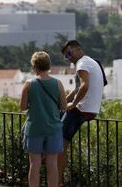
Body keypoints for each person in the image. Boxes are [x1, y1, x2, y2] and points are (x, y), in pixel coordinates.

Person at [58, 40, 104, 186]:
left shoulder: (82, 64)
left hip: (81, 109)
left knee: (61, 145)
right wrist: (64, 102)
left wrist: (74, 104)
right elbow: (78, 89)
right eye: (66, 56)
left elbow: (85, 86)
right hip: (91, 110)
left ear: (78, 49)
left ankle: (57, 182)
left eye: (69, 53)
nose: (68, 57)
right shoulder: (89, 61)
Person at [20, 51, 67, 187]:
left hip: (34, 127)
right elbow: (63, 106)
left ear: (35, 66)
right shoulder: (58, 84)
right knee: (52, 164)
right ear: (48, 65)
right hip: (53, 129)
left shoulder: (29, 84)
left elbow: (22, 106)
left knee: (34, 164)